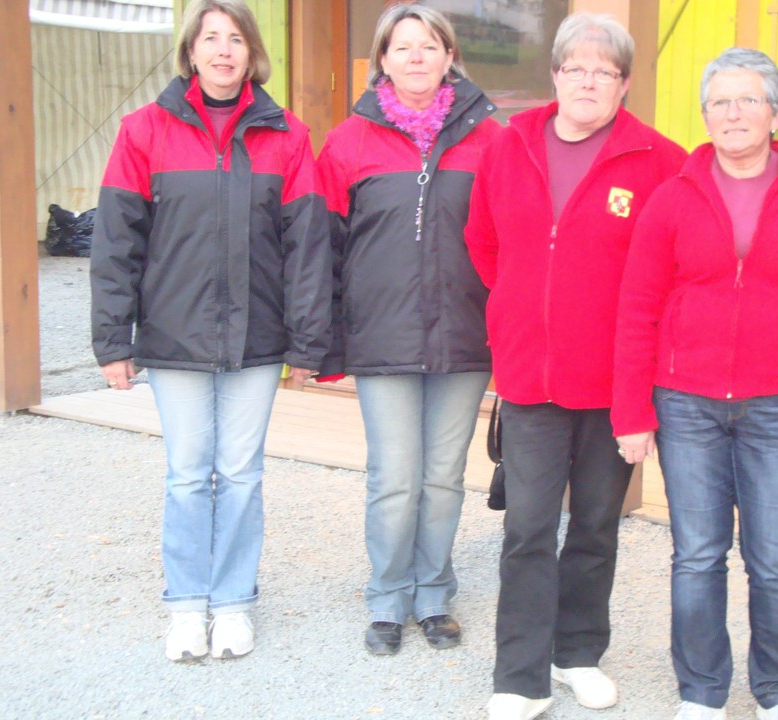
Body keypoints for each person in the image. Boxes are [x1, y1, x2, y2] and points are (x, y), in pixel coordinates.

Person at [612, 48, 778, 720]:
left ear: (776, 113)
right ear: (706, 115)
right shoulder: (671, 199)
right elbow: (638, 308)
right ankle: (701, 693)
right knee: (697, 555)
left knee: (777, 558)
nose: (734, 113)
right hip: (686, 403)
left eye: (749, 100)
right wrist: (630, 411)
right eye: (721, 101)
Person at [90, 0, 331, 662]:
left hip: (257, 340)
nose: (224, 51)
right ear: (191, 53)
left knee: (242, 473)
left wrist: (308, 343)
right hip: (175, 340)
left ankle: (232, 604)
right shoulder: (145, 131)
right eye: (211, 39)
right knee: (189, 473)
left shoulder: (288, 136)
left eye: (236, 40)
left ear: (254, 55)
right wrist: (114, 342)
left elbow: (307, 246)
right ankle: (186, 605)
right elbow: (116, 245)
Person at [465, 13, 686, 720]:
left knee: (595, 525)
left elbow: (676, 269)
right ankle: (520, 675)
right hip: (530, 375)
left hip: (615, 381)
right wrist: (520, 309)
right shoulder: (511, 145)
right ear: (555, 75)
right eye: (575, 68)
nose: (588, 80)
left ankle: (577, 654)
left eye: (605, 71)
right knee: (527, 526)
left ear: (623, 83)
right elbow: (484, 241)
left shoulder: (659, 160)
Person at [315, 4, 500, 656]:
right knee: (395, 478)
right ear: (382, 61)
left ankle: (433, 595)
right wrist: (325, 336)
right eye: (403, 47)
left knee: (444, 476)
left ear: (449, 57)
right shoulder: (348, 143)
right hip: (383, 337)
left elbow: (511, 241)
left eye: (429, 46)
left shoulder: (489, 139)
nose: (416, 57)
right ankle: (388, 598)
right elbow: (324, 247)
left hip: (463, 335)